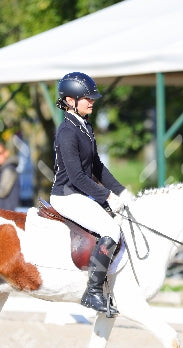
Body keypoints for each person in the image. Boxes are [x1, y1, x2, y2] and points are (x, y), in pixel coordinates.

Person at [49, 71, 133, 315]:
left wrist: (121, 192)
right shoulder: (66, 132)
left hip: (79, 193)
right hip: (66, 195)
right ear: (70, 101)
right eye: (87, 98)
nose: (92, 101)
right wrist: (106, 197)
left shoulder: (84, 127)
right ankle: (93, 291)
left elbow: (97, 167)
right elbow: (77, 177)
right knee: (111, 230)